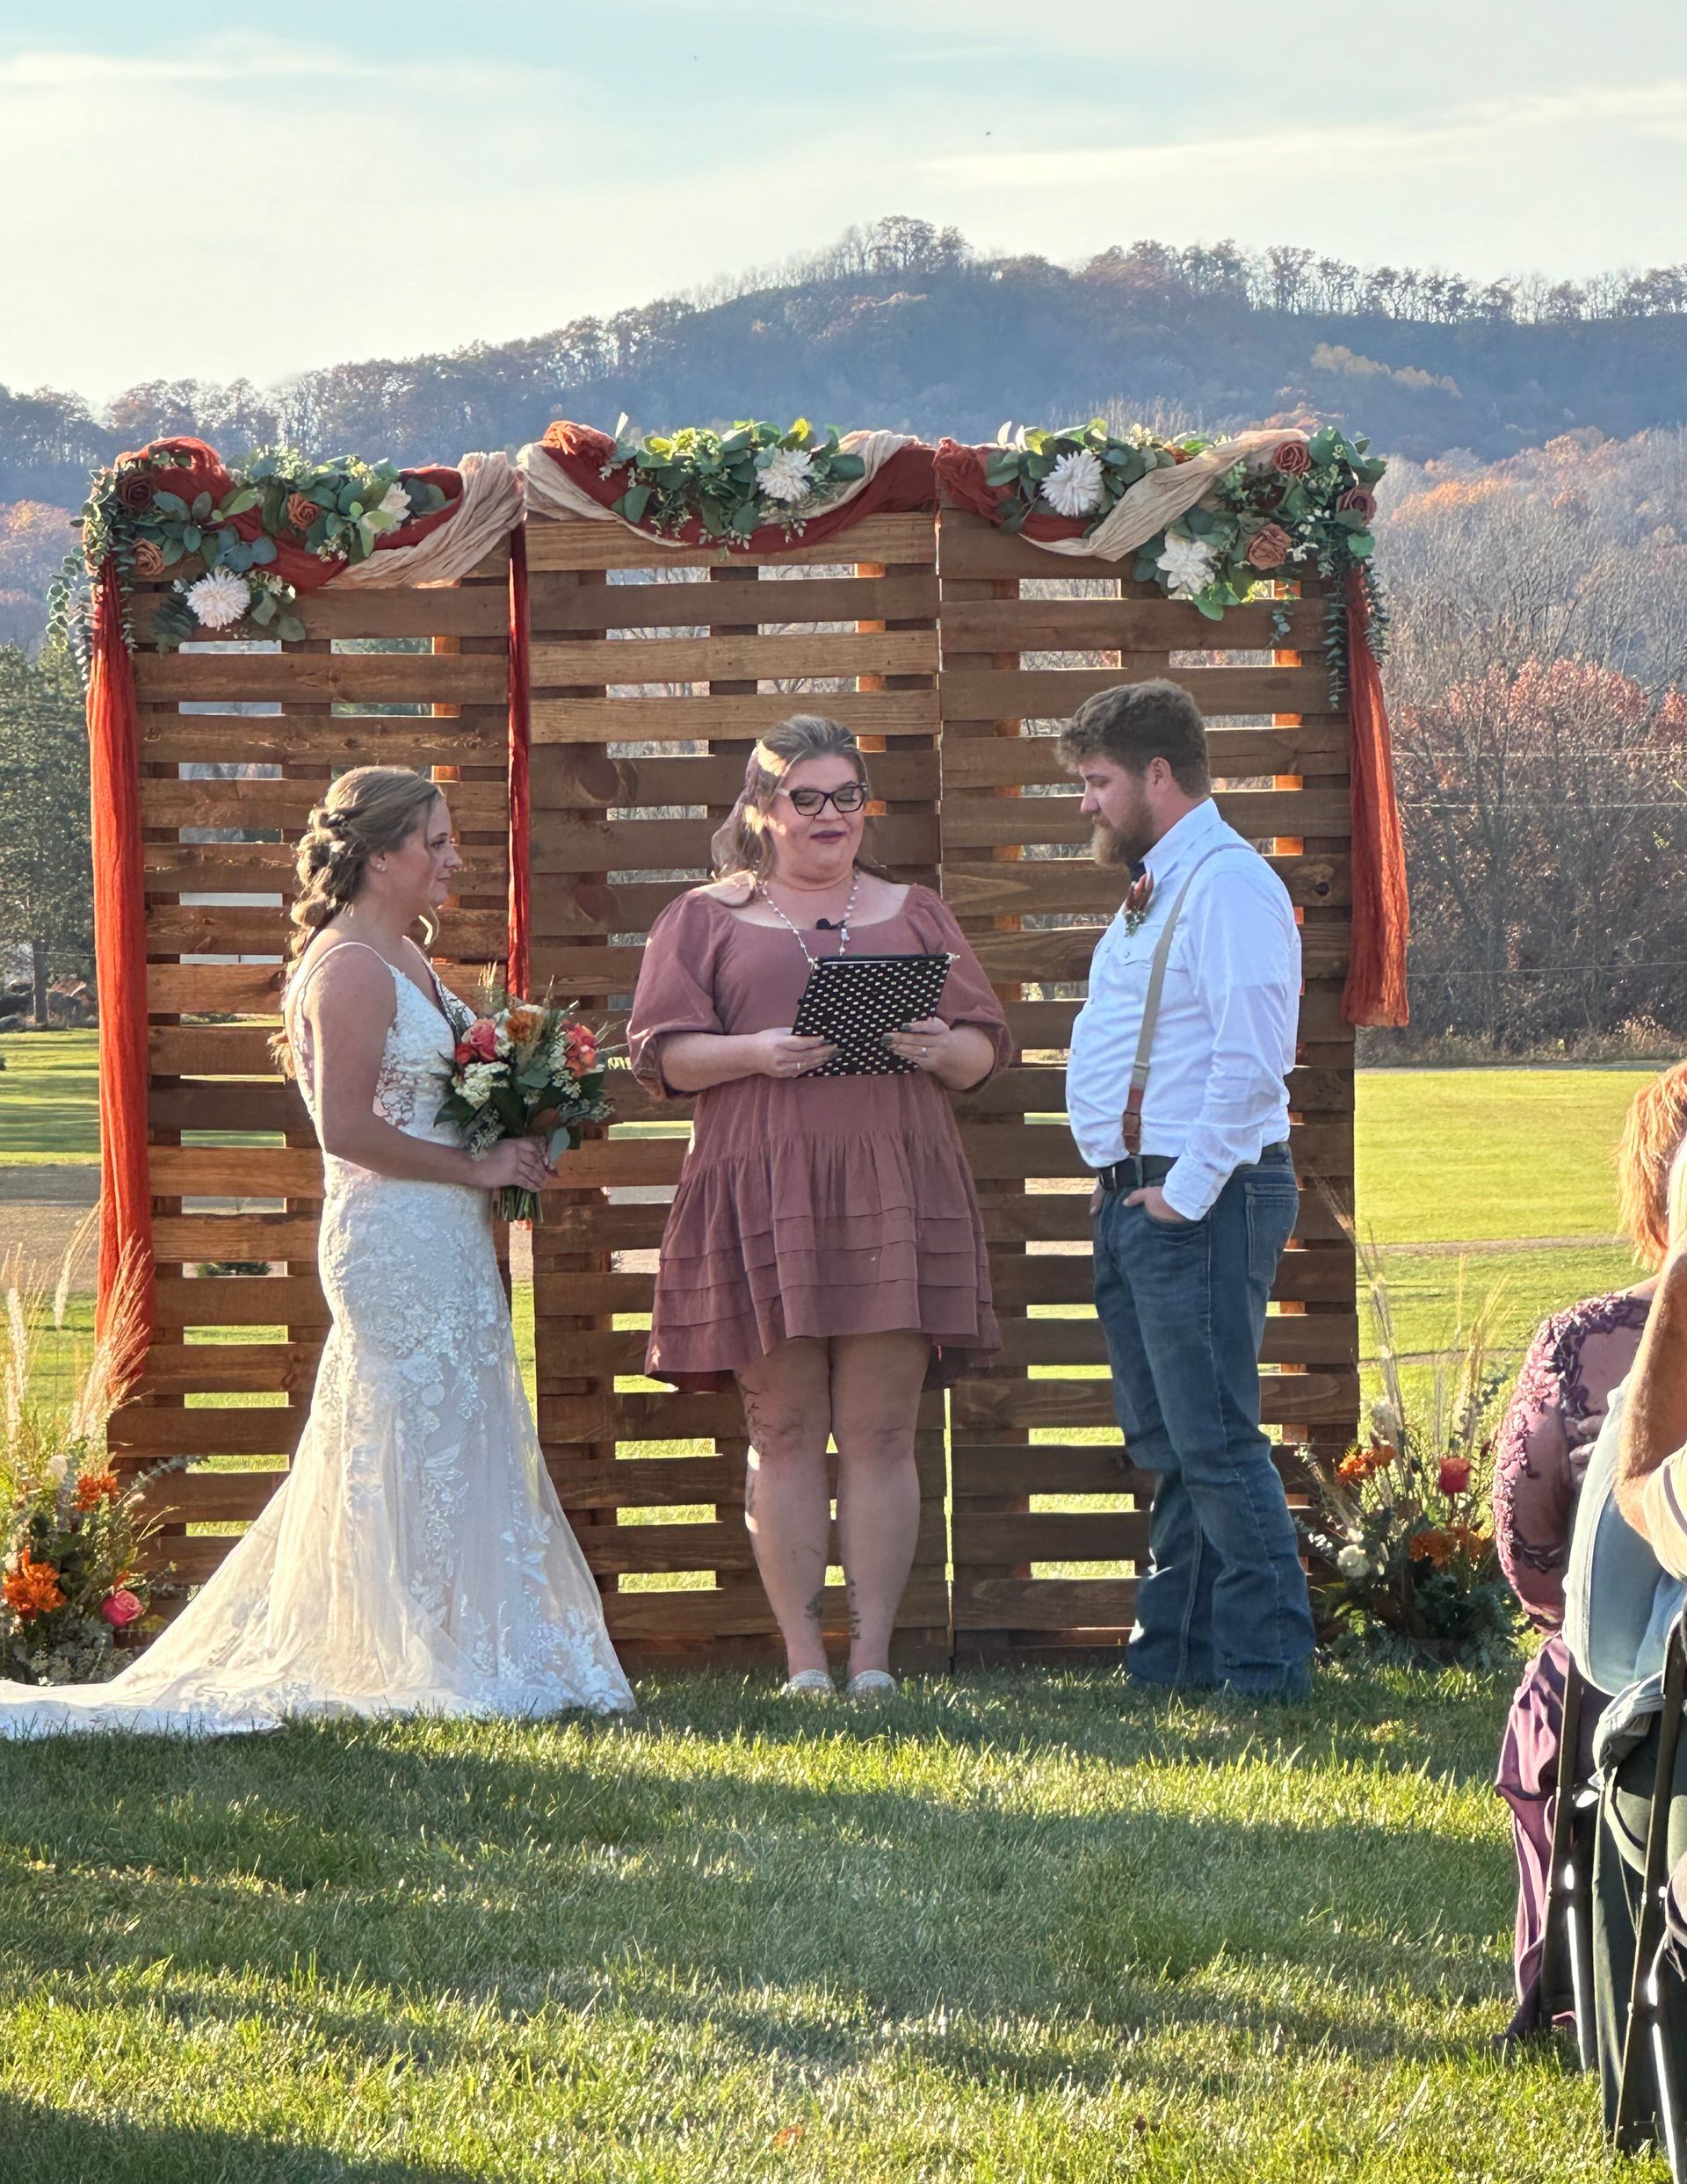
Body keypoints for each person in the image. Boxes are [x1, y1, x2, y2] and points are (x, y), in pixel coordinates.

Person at [0, 766, 633, 1735]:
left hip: (448, 1237)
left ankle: (457, 1639)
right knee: (408, 1430)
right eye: (436, 841)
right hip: (393, 1240)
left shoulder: (412, 958)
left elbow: (442, 1096)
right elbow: (345, 1129)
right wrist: (474, 1168)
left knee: (459, 1426)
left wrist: (524, 1124)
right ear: (381, 855)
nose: (451, 858)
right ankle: (415, 1651)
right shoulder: (346, 969)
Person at [627, 714, 1010, 1698]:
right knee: (785, 1432)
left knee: (882, 1432)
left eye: (848, 797)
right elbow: (660, 1057)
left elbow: (980, 1057)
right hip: (761, 1189)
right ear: (762, 808)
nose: (832, 815)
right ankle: (805, 1666)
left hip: (892, 1184)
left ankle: (873, 1662)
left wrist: (934, 1043)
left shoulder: (915, 910)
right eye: (809, 797)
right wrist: (755, 1052)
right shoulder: (701, 917)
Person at [1059, 679, 1314, 1700]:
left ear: (1157, 776)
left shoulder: (1229, 884)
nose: (1086, 803)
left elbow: (1256, 1057)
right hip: (1141, 1192)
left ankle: (1266, 1674)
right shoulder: (1164, 880)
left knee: (1212, 1438)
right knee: (1171, 1441)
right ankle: (1173, 1664)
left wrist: (1188, 1191)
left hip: (1198, 1193)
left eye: (1098, 781)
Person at [1492, 1063, 1687, 2036]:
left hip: (1632, 1679)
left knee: (1558, 1686)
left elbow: (1531, 1549)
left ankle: (1571, 1984)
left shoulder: (1588, 1340)